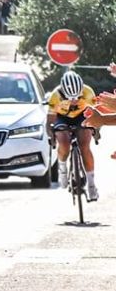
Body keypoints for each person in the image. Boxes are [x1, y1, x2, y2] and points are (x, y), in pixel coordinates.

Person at [47, 71, 97, 201]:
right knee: (64, 143)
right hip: (61, 118)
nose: (74, 100)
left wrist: (95, 130)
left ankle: (92, 185)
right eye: (70, 97)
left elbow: (96, 116)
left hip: (82, 116)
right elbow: (50, 120)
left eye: (77, 97)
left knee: (85, 145)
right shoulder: (55, 95)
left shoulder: (88, 92)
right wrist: (52, 136)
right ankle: (62, 168)